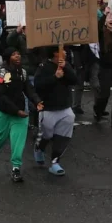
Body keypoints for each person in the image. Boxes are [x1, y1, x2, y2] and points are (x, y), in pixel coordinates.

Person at [0, 48, 44, 183]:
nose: (18, 56)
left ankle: (16, 168)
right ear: (7, 58)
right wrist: (16, 111)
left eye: (18, 54)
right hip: (3, 111)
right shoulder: (3, 74)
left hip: (19, 113)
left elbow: (28, 89)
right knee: (0, 138)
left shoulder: (22, 72)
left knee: (18, 141)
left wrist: (37, 101)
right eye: (14, 54)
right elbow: (0, 95)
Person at [33, 47, 77, 176]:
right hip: (49, 108)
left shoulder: (66, 65)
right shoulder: (43, 67)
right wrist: (55, 77)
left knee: (63, 137)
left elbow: (74, 80)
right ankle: (39, 148)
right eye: (62, 50)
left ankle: (55, 162)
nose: (65, 52)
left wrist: (66, 68)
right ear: (55, 53)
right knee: (47, 135)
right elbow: (38, 86)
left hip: (65, 107)